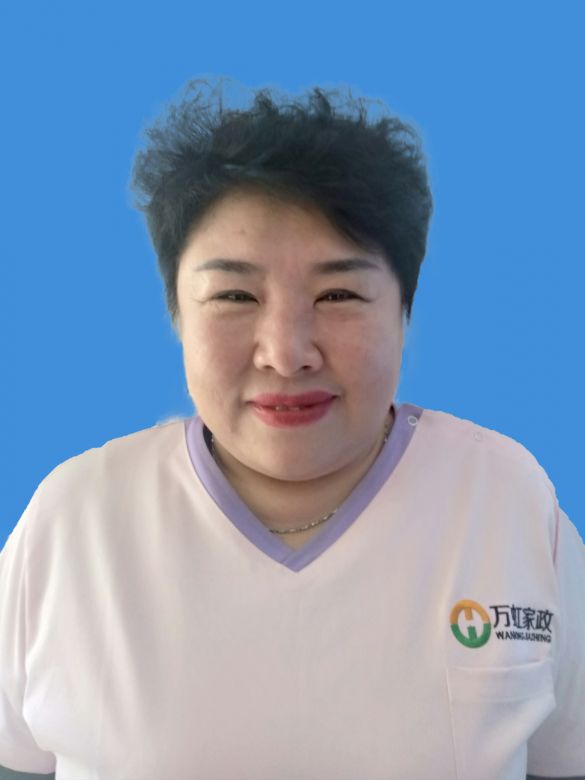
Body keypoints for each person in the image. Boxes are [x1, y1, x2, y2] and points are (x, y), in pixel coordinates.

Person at [0, 77, 583, 780]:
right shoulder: (75, 518)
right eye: (234, 295)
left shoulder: (504, 498)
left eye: (338, 294)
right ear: (176, 313)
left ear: (404, 311)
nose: (285, 352)